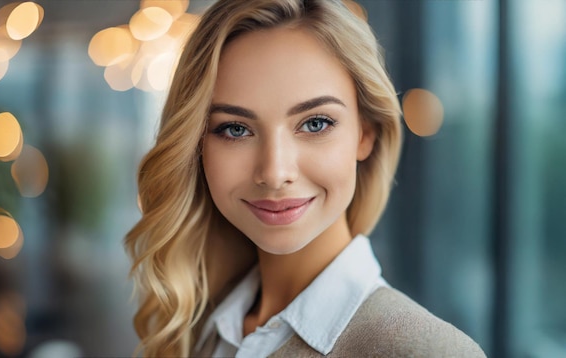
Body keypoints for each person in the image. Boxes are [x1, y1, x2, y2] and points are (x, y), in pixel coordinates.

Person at [125, 0, 486, 357]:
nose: (275, 173)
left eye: (315, 123)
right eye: (235, 129)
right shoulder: (201, 331)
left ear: (365, 133)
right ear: (197, 145)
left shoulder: (425, 351)